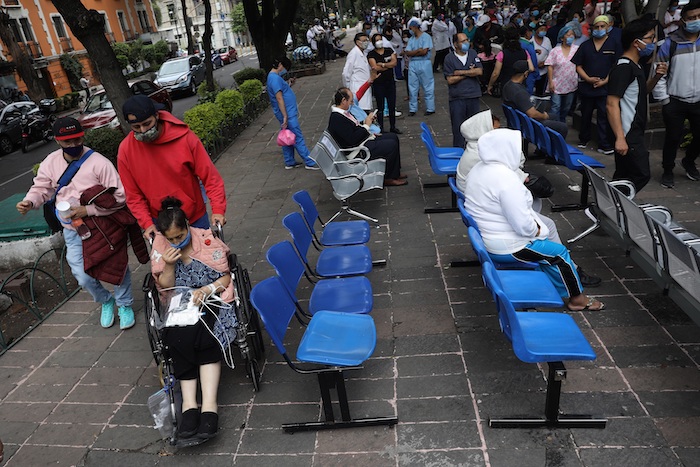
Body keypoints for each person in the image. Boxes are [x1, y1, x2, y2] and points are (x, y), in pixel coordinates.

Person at [17, 117, 137, 329]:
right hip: (73, 229)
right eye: (67, 142)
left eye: (77, 139)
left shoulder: (99, 163)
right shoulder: (50, 163)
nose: (74, 145)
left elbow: (120, 197)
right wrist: (30, 201)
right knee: (82, 275)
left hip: (103, 225)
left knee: (117, 266)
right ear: (57, 141)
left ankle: (125, 304)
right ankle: (105, 301)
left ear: (82, 136)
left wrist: (88, 209)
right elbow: (42, 188)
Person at [464, 129, 604, 310]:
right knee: (559, 253)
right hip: (507, 247)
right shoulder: (506, 180)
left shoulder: (479, 169)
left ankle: (559, 286)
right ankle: (577, 299)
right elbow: (523, 225)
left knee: (547, 246)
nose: (520, 153)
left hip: (489, 237)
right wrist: (536, 230)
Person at [151, 197, 235, 441]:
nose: (177, 241)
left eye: (180, 235)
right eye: (172, 238)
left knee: (204, 335)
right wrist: (168, 264)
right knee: (176, 337)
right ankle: (189, 405)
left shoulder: (206, 239)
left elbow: (226, 277)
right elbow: (165, 288)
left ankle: (209, 406)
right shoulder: (161, 247)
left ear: (188, 225)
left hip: (211, 299)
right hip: (180, 303)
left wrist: (208, 289)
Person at [117, 95, 227, 240]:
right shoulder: (126, 151)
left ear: (156, 116)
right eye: (136, 127)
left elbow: (210, 177)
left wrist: (218, 209)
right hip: (160, 224)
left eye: (147, 124)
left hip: (194, 218)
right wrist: (146, 223)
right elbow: (133, 195)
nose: (143, 130)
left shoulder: (185, 138)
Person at [607, 20, 668, 193]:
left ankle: (606, 209)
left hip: (632, 131)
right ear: (636, 42)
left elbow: (641, 93)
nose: (653, 42)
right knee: (640, 174)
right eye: (650, 38)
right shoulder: (624, 68)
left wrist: (656, 77)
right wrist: (620, 137)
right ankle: (607, 208)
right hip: (628, 132)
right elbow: (611, 103)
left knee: (623, 176)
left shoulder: (635, 66)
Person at [653, 0, 700, 188]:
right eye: (691, 18)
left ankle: (689, 161)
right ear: (683, 21)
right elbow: (659, 72)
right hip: (675, 100)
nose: (695, 21)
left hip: (698, 100)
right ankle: (667, 170)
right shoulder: (671, 43)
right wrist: (664, 99)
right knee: (673, 138)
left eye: (698, 17)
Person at [328, 87, 406, 186]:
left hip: (361, 141)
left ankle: (395, 173)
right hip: (357, 151)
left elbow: (353, 129)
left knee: (393, 137)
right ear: (344, 101)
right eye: (351, 101)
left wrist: (367, 125)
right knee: (391, 145)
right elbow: (353, 139)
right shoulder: (337, 119)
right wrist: (367, 126)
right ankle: (388, 177)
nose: (352, 103)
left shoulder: (341, 114)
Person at [571, 15, 623, 154]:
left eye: (602, 26)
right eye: (597, 27)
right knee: (585, 114)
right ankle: (583, 139)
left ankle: (604, 144)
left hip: (605, 87)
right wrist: (587, 78)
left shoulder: (614, 44)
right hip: (587, 87)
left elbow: (617, 65)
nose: (599, 29)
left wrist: (605, 80)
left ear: (608, 27)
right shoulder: (585, 45)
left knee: (603, 116)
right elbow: (578, 65)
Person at [265, 56, 319, 170]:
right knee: (297, 136)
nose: (284, 70)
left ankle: (289, 161)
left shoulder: (273, 77)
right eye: (284, 67)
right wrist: (285, 116)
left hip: (286, 113)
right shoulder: (274, 78)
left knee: (287, 136)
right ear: (279, 65)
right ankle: (309, 161)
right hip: (288, 114)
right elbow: (279, 98)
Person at [502, 60, 568, 137]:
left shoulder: (507, 85)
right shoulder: (519, 92)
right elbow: (532, 114)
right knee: (563, 127)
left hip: (517, 119)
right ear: (526, 74)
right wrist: (544, 116)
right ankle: (549, 147)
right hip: (526, 123)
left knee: (554, 116)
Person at [443, 32, 483, 148]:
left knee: (474, 129)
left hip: (473, 96)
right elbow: (450, 80)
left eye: (467, 40)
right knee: (458, 129)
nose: (466, 43)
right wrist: (470, 72)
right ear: (455, 44)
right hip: (457, 98)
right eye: (462, 41)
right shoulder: (449, 58)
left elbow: (479, 71)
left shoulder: (472, 53)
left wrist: (460, 72)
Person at [545, 26, 580, 123]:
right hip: (557, 83)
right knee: (556, 106)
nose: (570, 37)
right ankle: (552, 125)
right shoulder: (555, 51)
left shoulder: (577, 49)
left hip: (571, 83)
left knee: (566, 107)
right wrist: (551, 81)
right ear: (562, 38)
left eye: (572, 35)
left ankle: (562, 123)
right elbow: (550, 66)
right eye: (568, 35)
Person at [367, 34, 401, 134]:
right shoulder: (371, 54)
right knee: (380, 107)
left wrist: (382, 65)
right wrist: (388, 66)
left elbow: (394, 63)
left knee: (392, 105)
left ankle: (393, 126)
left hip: (390, 82)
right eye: (377, 40)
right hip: (379, 83)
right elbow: (374, 67)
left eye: (380, 39)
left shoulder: (389, 50)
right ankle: (381, 128)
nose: (379, 42)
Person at [487, 27, 533, 96]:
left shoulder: (502, 54)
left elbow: (495, 73)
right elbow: (531, 68)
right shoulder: (524, 52)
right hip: (521, 84)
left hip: (506, 85)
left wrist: (490, 85)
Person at [405, 18, 436, 116]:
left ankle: (430, 108)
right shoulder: (412, 39)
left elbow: (424, 52)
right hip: (413, 63)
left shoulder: (426, 37)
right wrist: (418, 51)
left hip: (424, 63)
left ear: (414, 27)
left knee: (428, 86)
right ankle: (412, 109)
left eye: (410, 28)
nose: (410, 30)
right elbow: (408, 53)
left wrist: (415, 52)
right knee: (412, 87)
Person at [343, 33, 373, 112]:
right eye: (363, 41)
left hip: (365, 85)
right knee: (360, 110)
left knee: (365, 109)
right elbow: (346, 73)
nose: (366, 42)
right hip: (357, 87)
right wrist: (347, 88)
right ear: (357, 42)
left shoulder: (363, 52)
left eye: (367, 40)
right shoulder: (353, 54)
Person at [531, 22, 552, 96]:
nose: (543, 31)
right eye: (541, 29)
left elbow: (550, 54)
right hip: (532, 70)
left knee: (540, 92)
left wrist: (544, 63)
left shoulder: (547, 40)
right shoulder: (531, 40)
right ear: (536, 30)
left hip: (543, 71)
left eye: (544, 29)